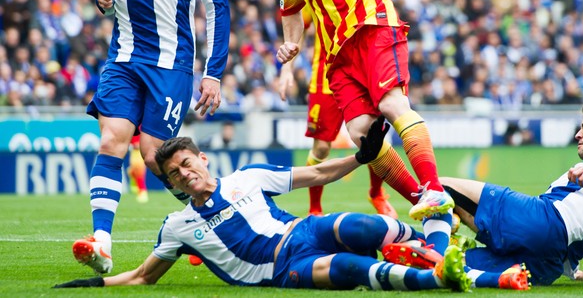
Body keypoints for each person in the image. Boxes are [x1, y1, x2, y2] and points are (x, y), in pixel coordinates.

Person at [274, 0, 496, 222]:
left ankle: (434, 189)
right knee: (363, 135)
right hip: (337, 56)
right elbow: (291, 10)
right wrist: (291, 45)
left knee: (393, 103)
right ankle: (431, 208)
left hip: (377, 27)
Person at [53, 120, 478, 292]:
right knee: (346, 269)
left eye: (187, 164)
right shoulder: (178, 226)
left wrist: (361, 158)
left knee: (364, 227)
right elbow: (144, 277)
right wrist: (93, 286)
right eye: (175, 175)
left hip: (303, 231)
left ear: (203, 159)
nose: (185, 174)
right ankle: (437, 279)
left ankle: (438, 249)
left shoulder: (247, 177)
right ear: (170, 183)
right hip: (278, 268)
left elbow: (314, 175)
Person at [72, 0, 231, 275]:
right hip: (123, 60)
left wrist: (212, 73)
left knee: (156, 157)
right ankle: (101, 244)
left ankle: (217, 222)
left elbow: (217, 9)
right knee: (111, 141)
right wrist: (102, 0)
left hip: (170, 66)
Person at [384, 100, 583, 288]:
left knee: (440, 186)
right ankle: (435, 243)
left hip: (542, 221)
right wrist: (581, 275)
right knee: (444, 270)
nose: (578, 134)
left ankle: (383, 162)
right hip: (547, 267)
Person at [278, 10, 396, 218]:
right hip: (324, 78)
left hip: (360, 74)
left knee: (371, 136)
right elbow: (297, 31)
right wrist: (287, 69)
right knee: (321, 148)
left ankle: (376, 194)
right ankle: (315, 209)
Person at [127, 134, 148, 203]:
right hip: (134, 151)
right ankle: (132, 176)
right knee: (134, 169)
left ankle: (142, 191)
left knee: (140, 170)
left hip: (142, 150)